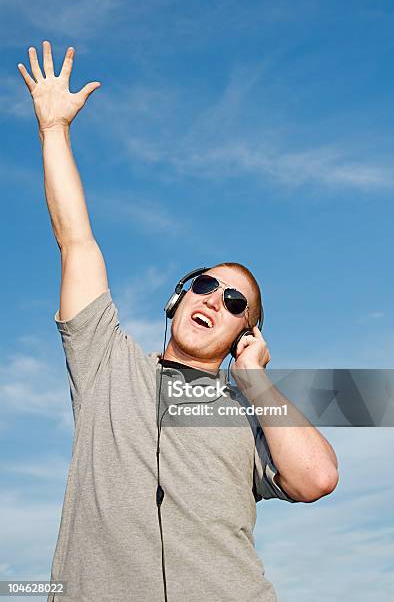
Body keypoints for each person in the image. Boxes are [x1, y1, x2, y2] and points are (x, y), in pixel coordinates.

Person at [18, 41, 339, 602]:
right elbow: (77, 242)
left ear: (246, 334)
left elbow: (316, 479)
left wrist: (255, 380)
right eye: (206, 285)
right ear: (179, 298)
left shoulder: (248, 412)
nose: (215, 300)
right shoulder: (106, 363)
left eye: (236, 304)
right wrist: (53, 131)